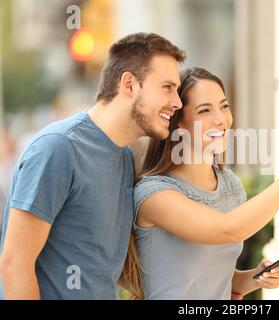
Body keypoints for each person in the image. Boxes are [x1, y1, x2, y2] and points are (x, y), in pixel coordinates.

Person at [121, 67, 279, 299]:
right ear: (179, 122)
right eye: (204, 110)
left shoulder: (230, 186)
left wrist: (254, 278)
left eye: (224, 106)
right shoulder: (155, 194)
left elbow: (210, 275)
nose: (221, 119)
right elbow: (227, 229)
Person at [0, 32, 186, 299]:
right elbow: (14, 264)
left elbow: (105, 266)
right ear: (129, 84)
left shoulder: (122, 158)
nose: (177, 102)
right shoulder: (59, 148)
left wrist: (231, 282)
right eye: (167, 87)